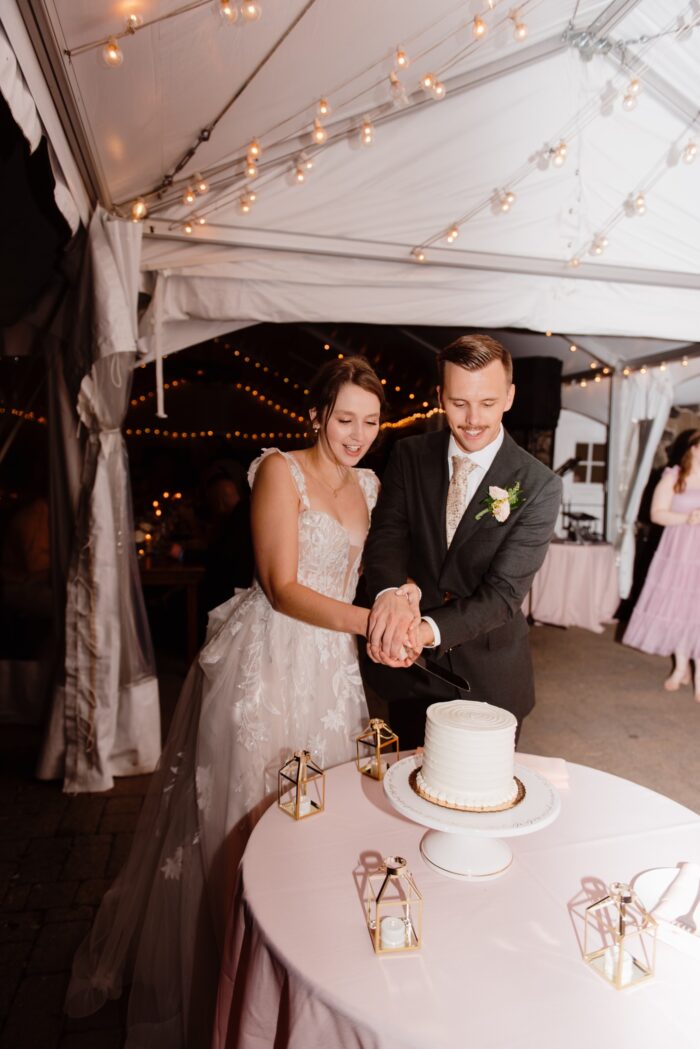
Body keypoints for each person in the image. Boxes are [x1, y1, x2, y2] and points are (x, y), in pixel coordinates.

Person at [65, 357, 418, 1048]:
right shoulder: (277, 472)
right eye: (344, 418)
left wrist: (398, 599)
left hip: (332, 671)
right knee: (248, 826)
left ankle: (288, 981)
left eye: (371, 422)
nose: (356, 434)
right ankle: (226, 984)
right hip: (271, 660)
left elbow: (381, 571)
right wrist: (369, 623)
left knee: (317, 826)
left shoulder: (372, 485)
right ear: (317, 414)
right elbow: (282, 585)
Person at [361, 334, 562, 747]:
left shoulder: (539, 485)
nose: (473, 419)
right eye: (459, 402)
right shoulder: (409, 455)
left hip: (491, 680)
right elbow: (387, 537)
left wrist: (424, 630)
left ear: (509, 397)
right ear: (440, 396)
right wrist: (387, 594)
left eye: (487, 403)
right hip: (410, 674)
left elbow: (504, 594)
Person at [623, 429, 700, 697]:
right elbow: (656, 513)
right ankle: (680, 667)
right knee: (678, 608)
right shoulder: (674, 476)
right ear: (693, 448)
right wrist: (686, 519)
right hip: (679, 552)